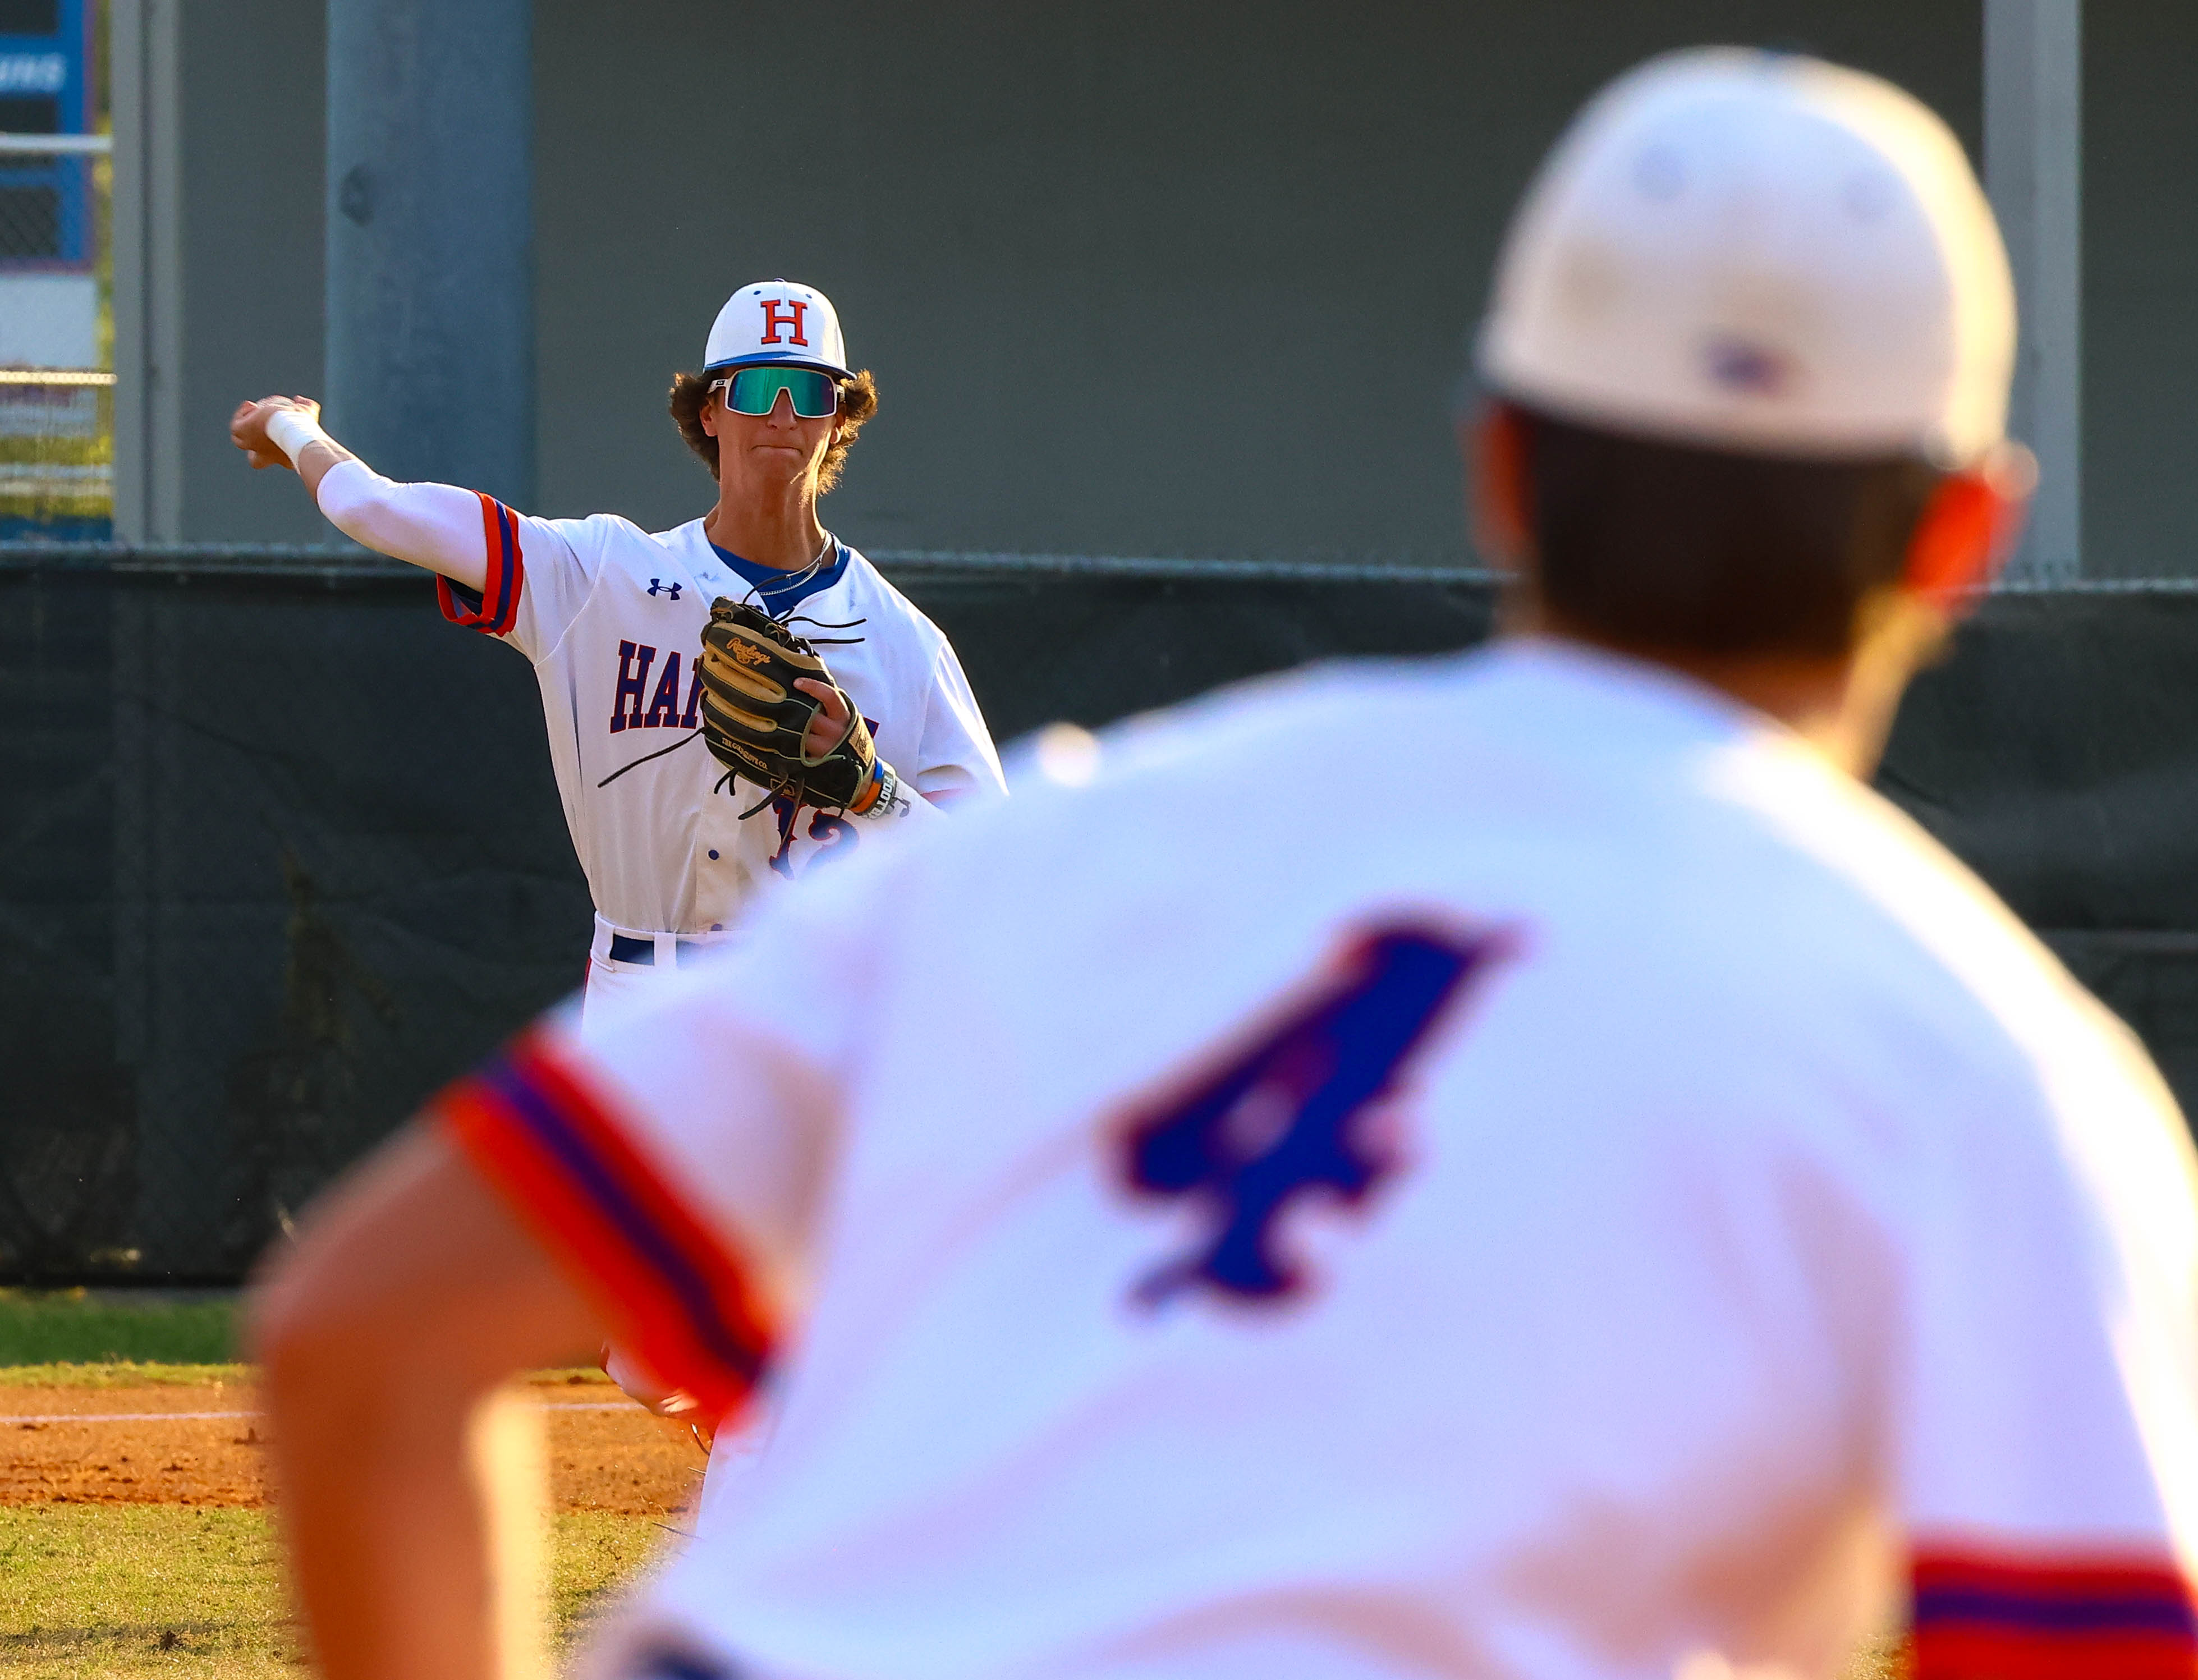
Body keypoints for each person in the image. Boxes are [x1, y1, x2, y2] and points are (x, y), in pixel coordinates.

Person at [251, 50, 2198, 1680]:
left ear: (1497, 464)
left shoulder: (1090, 837)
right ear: (1960, 538)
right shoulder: (1991, 1079)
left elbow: (359, 1338)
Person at [230, 278, 1005, 1028]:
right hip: (637, 998)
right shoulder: (600, 575)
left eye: (808, 394)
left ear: (838, 419)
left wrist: (873, 790)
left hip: (816, 1009)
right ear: (709, 410)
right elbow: (374, 507)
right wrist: (292, 427)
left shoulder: (902, 641)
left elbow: (1005, 878)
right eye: (756, 386)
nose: (780, 413)